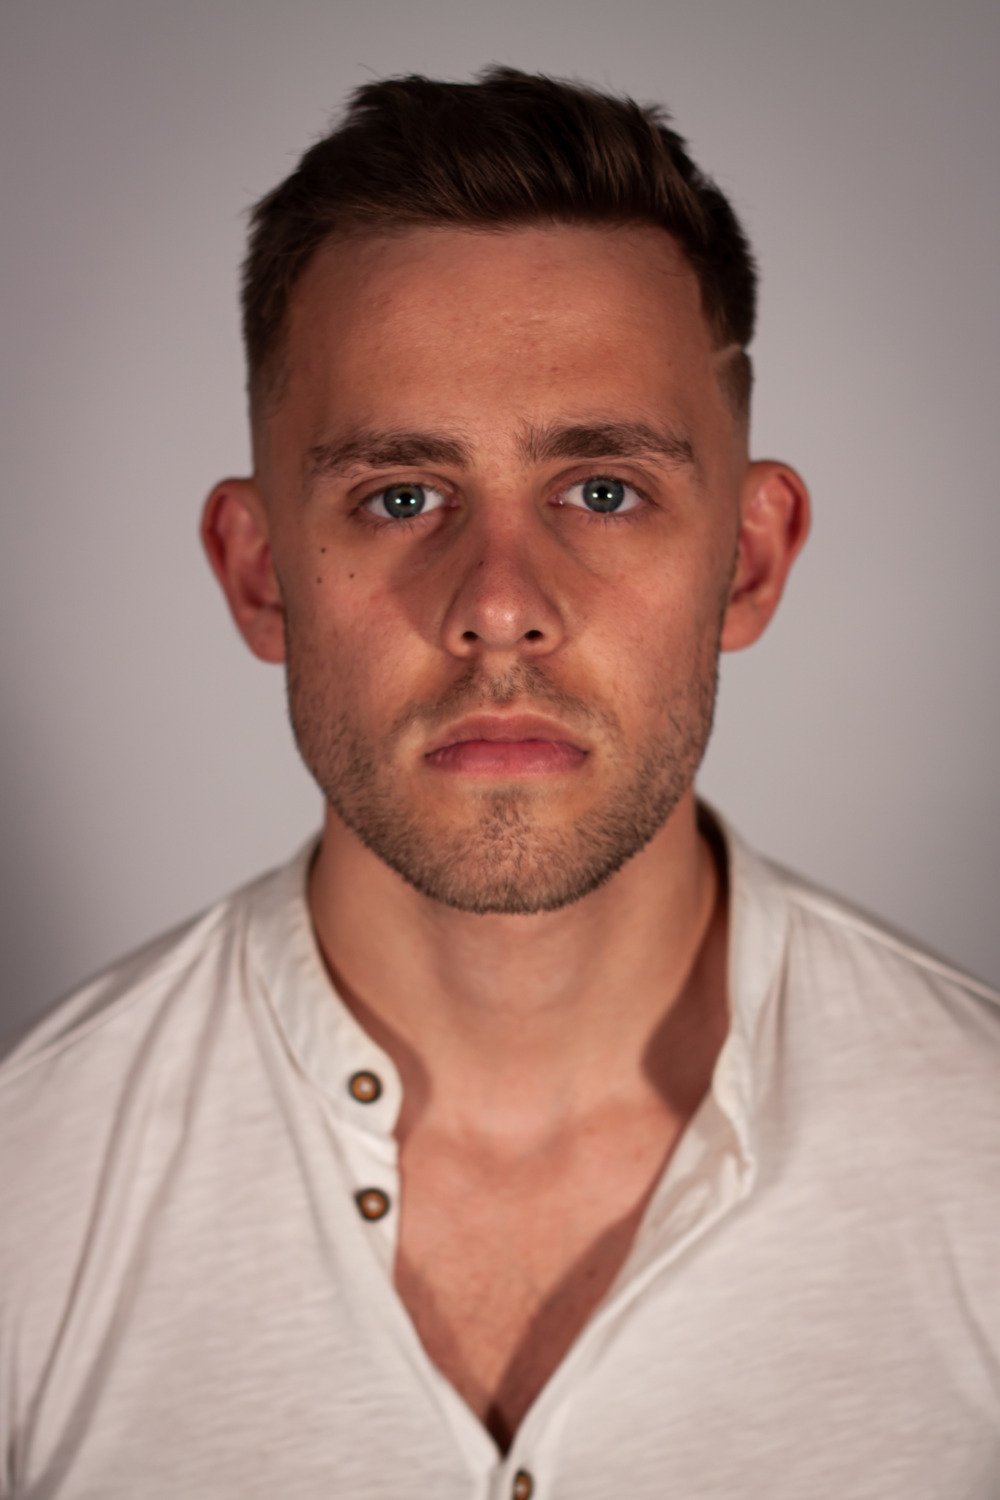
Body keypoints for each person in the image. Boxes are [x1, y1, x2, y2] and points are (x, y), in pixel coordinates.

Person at [1, 66, 997, 1500]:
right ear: (260, 573)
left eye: (603, 490)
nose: (501, 607)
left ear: (749, 558)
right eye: (401, 497)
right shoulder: (29, 1197)